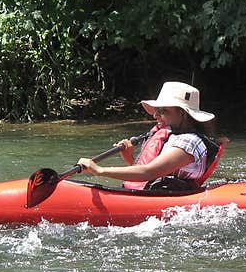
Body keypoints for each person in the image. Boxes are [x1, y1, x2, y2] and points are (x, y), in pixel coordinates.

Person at [78, 81, 224, 190]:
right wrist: (130, 158)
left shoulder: (190, 142)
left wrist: (99, 170)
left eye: (162, 110)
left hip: (170, 200)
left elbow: (148, 172)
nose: (155, 115)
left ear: (182, 113)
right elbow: (156, 171)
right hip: (158, 192)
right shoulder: (174, 135)